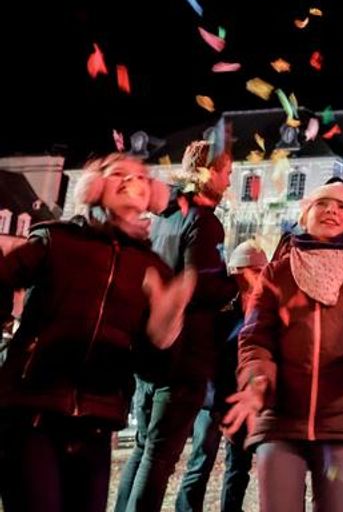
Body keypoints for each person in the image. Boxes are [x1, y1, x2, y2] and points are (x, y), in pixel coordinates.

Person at [0, 153, 194, 512]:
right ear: (95, 186)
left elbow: (154, 369)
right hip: (33, 410)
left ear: (151, 193)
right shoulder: (58, 240)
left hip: (97, 422)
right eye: (117, 173)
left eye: (139, 177)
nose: (128, 181)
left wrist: (164, 331)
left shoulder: (150, 267)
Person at [223, 181, 343, 512]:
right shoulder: (275, 272)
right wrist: (256, 379)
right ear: (304, 215)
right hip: (280, 418)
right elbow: (255, 338)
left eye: (342, 207)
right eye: (322, 204)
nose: (331, 210)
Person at [116, 140, 238, 512]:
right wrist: (236, 285)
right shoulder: (204, 219)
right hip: (186, 352)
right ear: (210, 172)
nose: (230, 182)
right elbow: (199, 285)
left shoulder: (166, 217)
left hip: (152, 348)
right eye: (227, 173)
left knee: (143, 447)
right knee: (159, 455)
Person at [173, 240, 267, 512]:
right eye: (249, 270)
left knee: (238, 466)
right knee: (201, 462)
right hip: (214, 397)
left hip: (241, 398)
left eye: (258, 270)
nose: (253, 276)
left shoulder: (265, 308)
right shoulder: (222, 306)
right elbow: (208, 349)